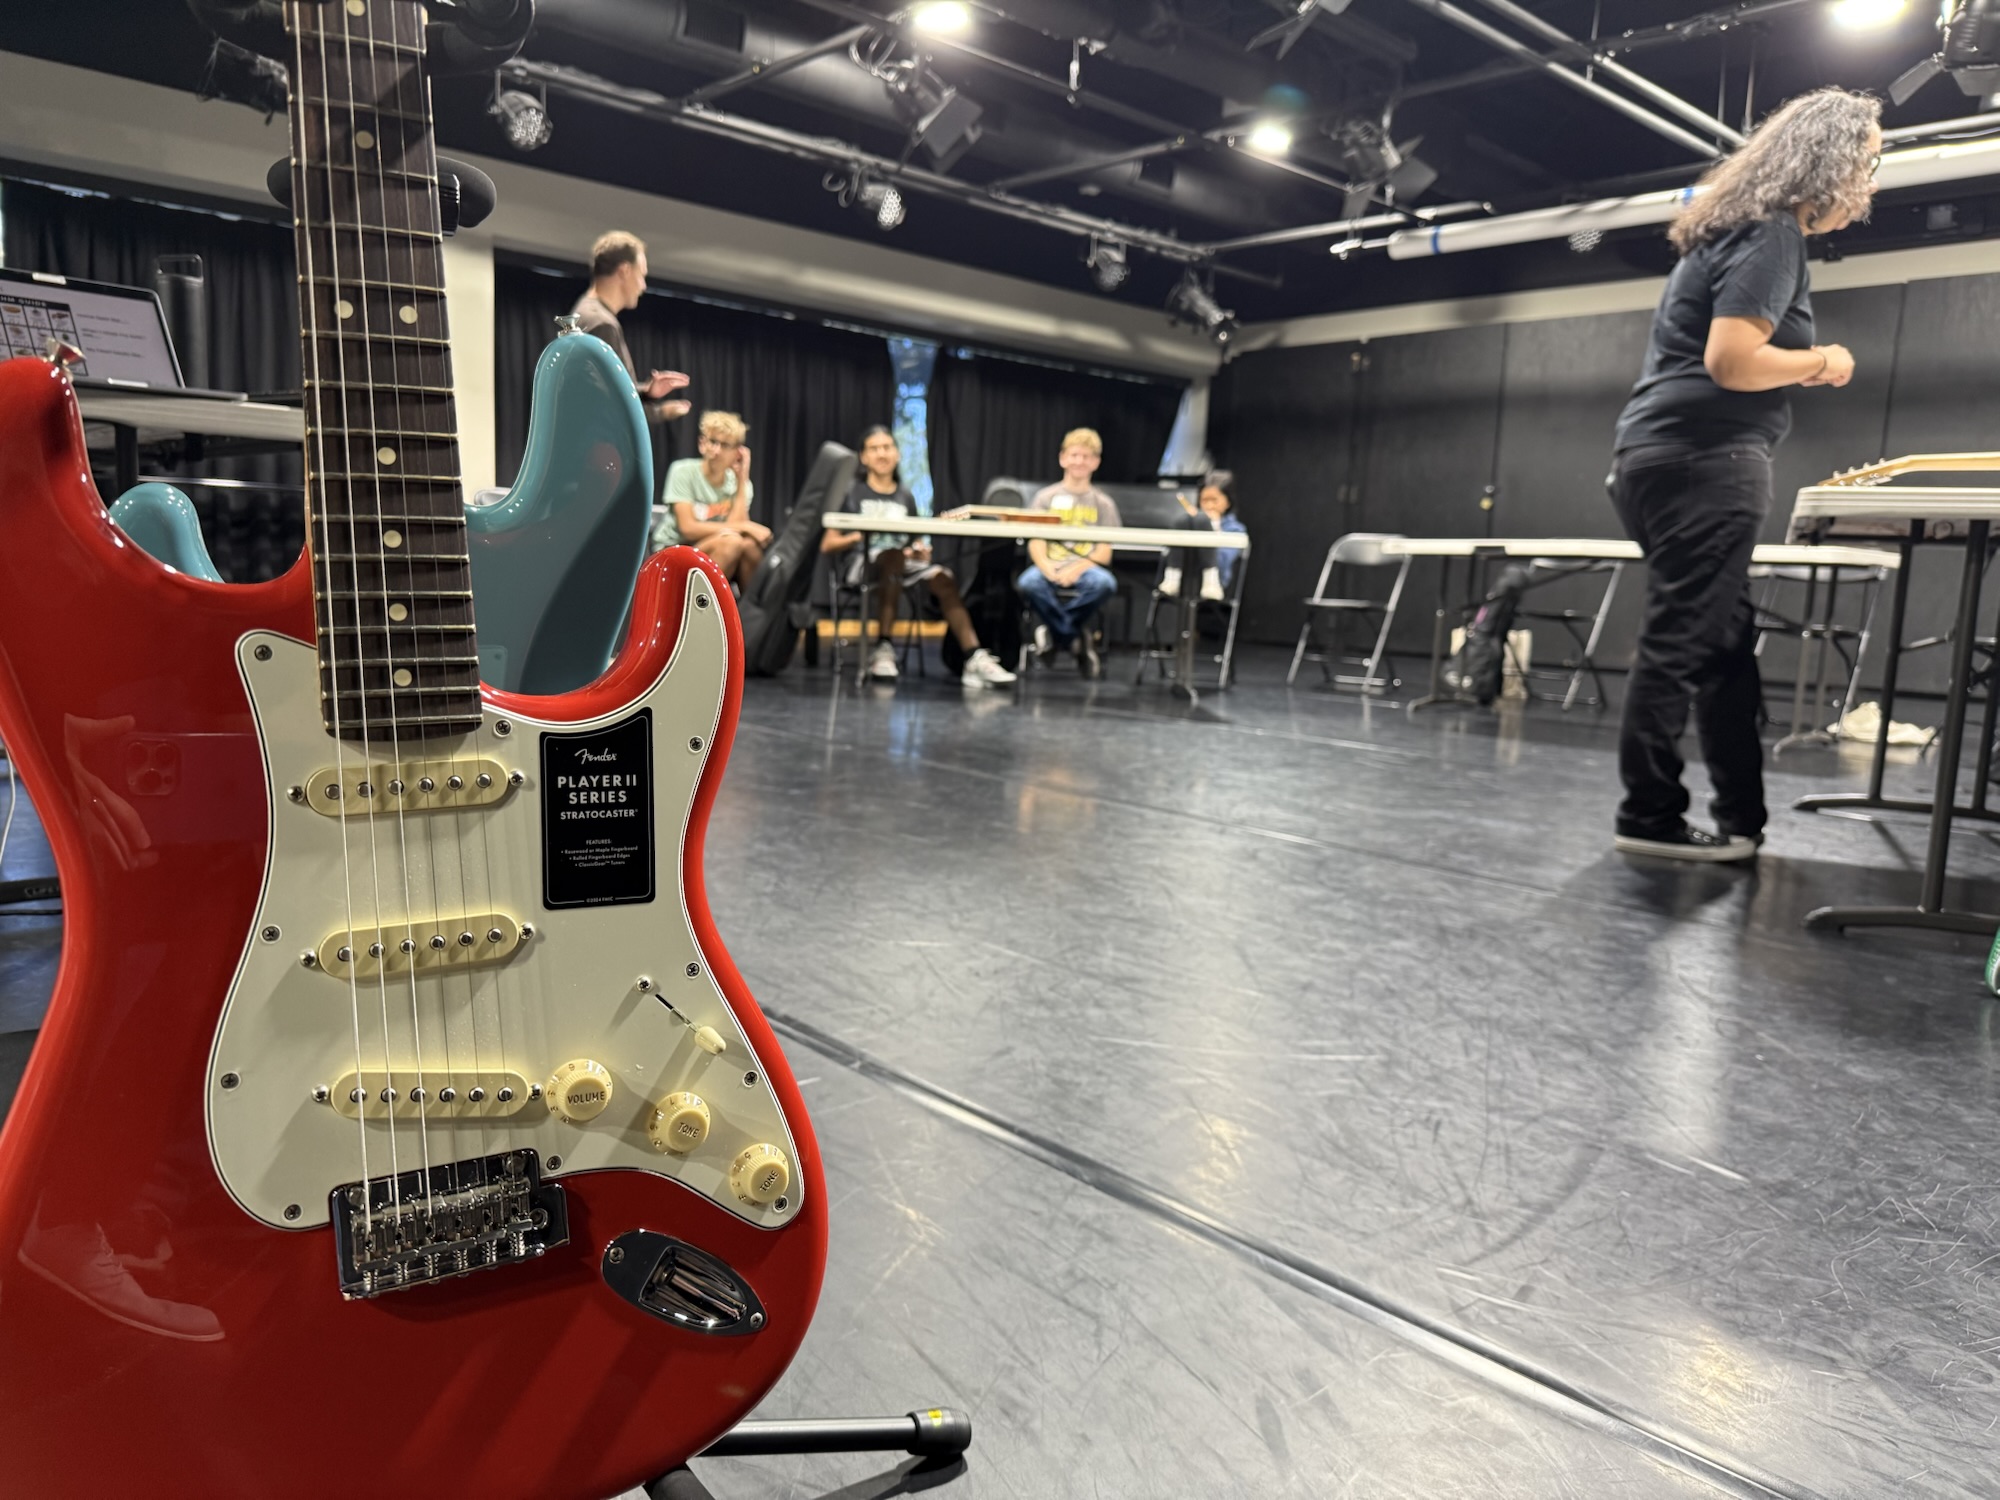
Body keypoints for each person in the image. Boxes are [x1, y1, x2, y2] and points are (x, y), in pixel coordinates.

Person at [1608, 88, 1877, 862]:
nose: (1871, 178)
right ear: (1828, 164)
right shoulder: (1772, 234)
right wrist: (1825, 362)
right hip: (1705, 461)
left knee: (1720, 640)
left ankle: (1741, 820)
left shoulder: (1732, 231)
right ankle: (1648, 816)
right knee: (1681, 639)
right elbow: (1733, 362)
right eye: (1866, 160)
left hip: (1661, 455)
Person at [822, 427, 1018, 687]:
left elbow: (912, 541)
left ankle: (974, 657)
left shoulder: (905, 496)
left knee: (943, 577)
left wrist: (918, 551)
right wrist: (861, 534)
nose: (882, 454)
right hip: (861, 564)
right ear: (863, 457)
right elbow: (828, 544)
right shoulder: (851, 492)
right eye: (874, 448)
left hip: (901, 563)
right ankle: (883, 648)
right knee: (892, 557)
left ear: (897, 454)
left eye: (887, 447)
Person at [1019, 428, 1122, 677]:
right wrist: (1047, 567)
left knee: (1105, 584)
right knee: (1028, 583)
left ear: (1095, 462)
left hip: (1085, 568)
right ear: (1063, 458)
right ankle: (1074, 636)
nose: (1079, 461)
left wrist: (1076, 568)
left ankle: (1053, 634)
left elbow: (1105, 552)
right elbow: (1036, 541)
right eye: (1074, 455)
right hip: (1051, 565)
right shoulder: (1045, 498)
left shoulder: (1104, 503)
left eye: (1086, 456)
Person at [569, 230, 690, 426]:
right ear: (624, 271)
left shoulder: (584, 312)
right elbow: (615, 407)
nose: (643, 286)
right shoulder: (602, 324)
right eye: (641, 275)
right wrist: (661, 412)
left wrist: (646, 392)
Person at [654, 410, 770, 589]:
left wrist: (742, 480)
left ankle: (748, 615)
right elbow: (688, 528)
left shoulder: (742, 485)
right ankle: (695, 611)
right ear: (702, 443)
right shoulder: (683, 471)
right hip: (673, 550)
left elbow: (736, 530)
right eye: (713, 442)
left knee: (748, 546)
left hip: (719, 548)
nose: (716, 451)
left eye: (725, 445)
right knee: (732, 542)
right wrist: (746, 526)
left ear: (737, 452)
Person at [1160, 472, 1245, 602]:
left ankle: (1210, 580)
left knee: (1201, 521)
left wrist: (1213, 528)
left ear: (1228, 502)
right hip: (1187, 574)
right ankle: (1172, 578)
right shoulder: (1191, 521)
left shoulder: (1236, 529)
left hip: (1218, 580)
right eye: (1205, 500)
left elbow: (1224, 560)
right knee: (1183, 520)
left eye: (1214, 500)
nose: (1209, 506)